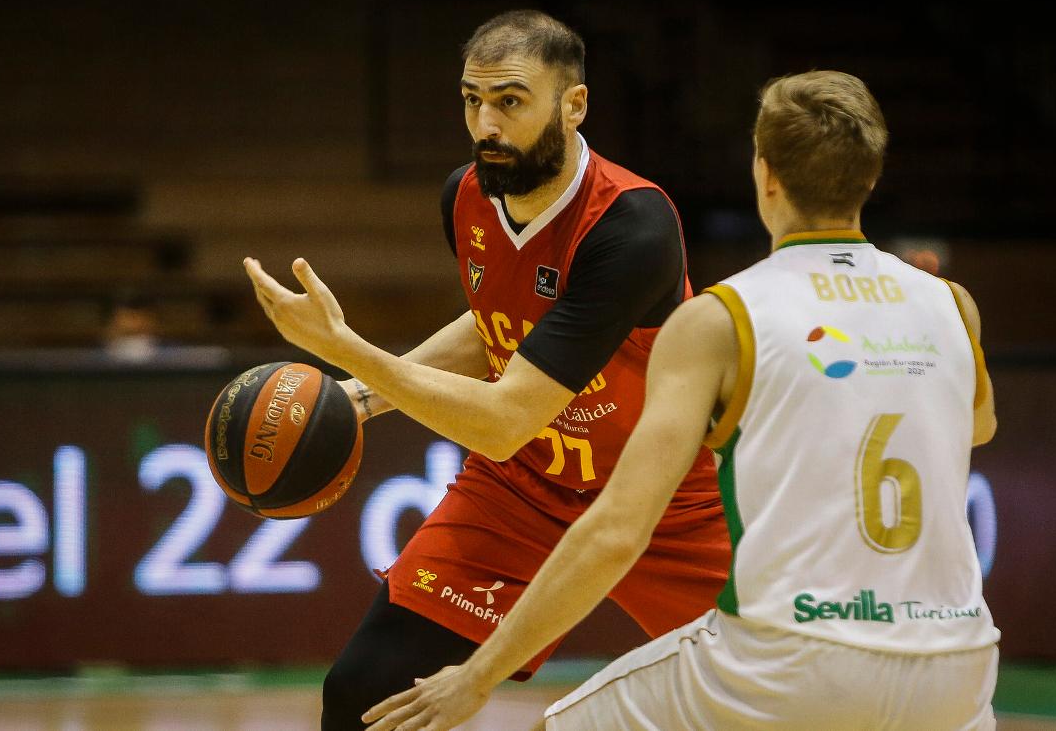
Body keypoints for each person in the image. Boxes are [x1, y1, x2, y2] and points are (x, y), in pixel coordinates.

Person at [363, 70, 1002, 730]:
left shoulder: (724, 318)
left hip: (799, 655)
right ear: (872, 176)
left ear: (766, 174)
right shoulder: (952, 306)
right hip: (959, 659)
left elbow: (615, 532)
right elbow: (977, 428)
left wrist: (477, 676)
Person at [242, 10, 731, 730]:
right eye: (472, 100)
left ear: (574, 104)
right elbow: (495, 323)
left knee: (808, 697)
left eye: (509, 101)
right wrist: (361, 397)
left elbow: (506, 419)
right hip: (523, 490)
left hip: (663, 496)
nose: (485, 125)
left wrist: (346, 349)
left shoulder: (633, 225)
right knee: (363, 695)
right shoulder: (466, 195)